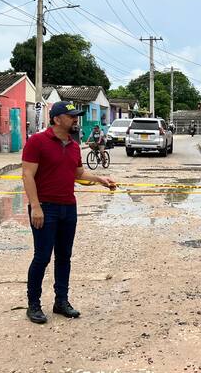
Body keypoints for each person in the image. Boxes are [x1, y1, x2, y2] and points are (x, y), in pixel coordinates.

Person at [21, 101, 116, 324]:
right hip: (45, 207)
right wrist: (35, 206)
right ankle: (33, 304)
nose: (76, 119)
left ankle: (61, 301)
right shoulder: (37, 142)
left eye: (76, 116)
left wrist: (100, 179)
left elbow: (78, 173)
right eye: (71, 116)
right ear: (57, 119)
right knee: (42, 257)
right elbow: (27, 175)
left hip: (68, 207)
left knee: (64, 256)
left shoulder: (73, 145)